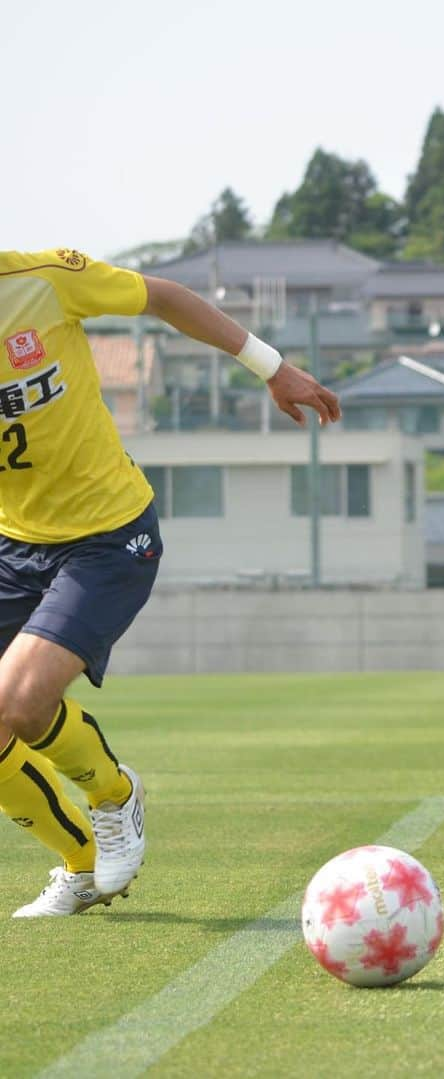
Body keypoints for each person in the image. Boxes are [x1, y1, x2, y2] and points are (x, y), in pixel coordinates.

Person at [0, 247, 341, 916]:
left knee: (16, 700)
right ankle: (80, 864)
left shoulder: (40, 281)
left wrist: (272, 369)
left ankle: (113, 796)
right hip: (14, 541)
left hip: (108, 539)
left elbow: (164, 297)